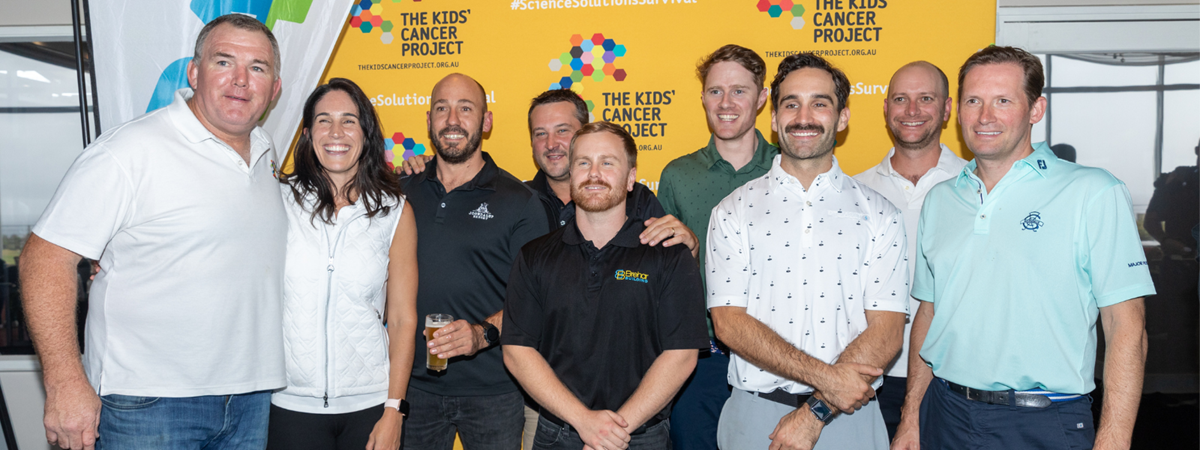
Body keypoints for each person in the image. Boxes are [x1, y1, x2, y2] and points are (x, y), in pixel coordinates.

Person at [20, 14, 286, 449]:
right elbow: (45, 258)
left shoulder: (266, 149)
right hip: (147, 402)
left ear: (274, 88)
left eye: (257, 67)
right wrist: (65, 382)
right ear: (194, 73)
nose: (240, 79)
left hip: (250, 399)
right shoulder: (127, 151)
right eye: (223, 62)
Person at [892, 46, 1154, 450]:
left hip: (1043, 423)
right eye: (973, 101)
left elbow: (1126, 328)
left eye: (1003, 101)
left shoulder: (1094, 192)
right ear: (956, 111)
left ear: (1036, 109)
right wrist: (911, 417)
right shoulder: (941, 199)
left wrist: (1114, 440)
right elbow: (928, 313)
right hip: (944, 414)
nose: (985, 116)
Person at [707, 53, 909, 450]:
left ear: (842, 117)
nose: (804, 117)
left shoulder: (880, 214)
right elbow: (728, 323)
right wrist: (829, 381)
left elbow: (887, 333)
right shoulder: (732, 211)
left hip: (851, 416)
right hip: (755, 416)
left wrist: (815, 411)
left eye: (819, 103)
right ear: (773, 118)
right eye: (791, 104)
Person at [502, 121, 710, 450]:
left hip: (641, 436)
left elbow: (682, 354)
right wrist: (585, 421)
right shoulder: (534, 256)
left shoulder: (669, 254)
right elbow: (517, 351)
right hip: (557, 434)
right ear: (571, 174)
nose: (594, 173)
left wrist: (612, 432)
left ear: (630, 178)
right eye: (583, 163)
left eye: (607, 162)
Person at [399, 73, 550, 450]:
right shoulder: (399, 191)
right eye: (442, 109)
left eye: (465, 109)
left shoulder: (521, 202)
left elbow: (537, 300)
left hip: (494, 392)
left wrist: (481, 334)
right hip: (410, 388)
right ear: (429, 120)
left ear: (486, 121)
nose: (452, 120)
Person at [268, 78, 418, 450]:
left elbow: (402, 318)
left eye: (349, 121)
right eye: (324, 120)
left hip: (370, 406)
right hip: (289, 404)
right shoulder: (277, 200)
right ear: (307, 134)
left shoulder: (394, 210)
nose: (336, 132)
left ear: (366, 134)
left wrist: (394, 409)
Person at [656, 44, 780, 450]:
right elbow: (661, 280)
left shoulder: (789, 167)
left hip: (778, 360)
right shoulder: (678, 175)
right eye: (715, 91)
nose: (726, 103)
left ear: (762, 98)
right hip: (702, 361)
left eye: (739, 91)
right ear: (703, 98)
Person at [850, 61, 967, 441]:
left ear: (947, 109)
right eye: (901, 99)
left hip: (954, 379)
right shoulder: (851, 192)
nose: (912, 110)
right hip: (868, 378)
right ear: (886, 109)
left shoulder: (978, 186)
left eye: (926, 98)